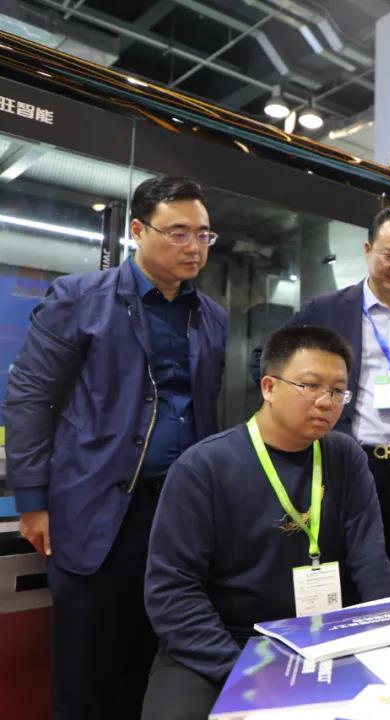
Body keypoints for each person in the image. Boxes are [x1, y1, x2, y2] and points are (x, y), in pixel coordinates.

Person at [3, 176, 227, 720]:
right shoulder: (79, 300)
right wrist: (32, 499)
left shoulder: (212, 317)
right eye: (178, 233)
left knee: (156, 664)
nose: (193, 247)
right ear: (138, 231)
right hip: (95, 509)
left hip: (179, 515)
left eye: (203, 235)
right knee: (86, 673)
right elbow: (30, 398)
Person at [143, 325, 390, 719]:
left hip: (323, 636)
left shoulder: (345, 456)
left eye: (337, 391)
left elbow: (370, 561)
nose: (326, 402)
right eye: (310, 386)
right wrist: (240, 671)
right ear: (268, 387)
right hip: (226, 640)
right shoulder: (204, 467)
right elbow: (172, 591)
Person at [251, 205, 390, 592]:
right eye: (388, 255)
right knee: (348, 565)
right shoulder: (326, 310)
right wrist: (296, 409)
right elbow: (265, 356)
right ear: (367, 250)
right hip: (349, 461)